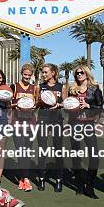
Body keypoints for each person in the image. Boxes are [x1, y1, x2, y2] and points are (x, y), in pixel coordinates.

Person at [67, 65, 103, 199]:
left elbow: (101, 106)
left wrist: (89, 106)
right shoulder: (72, 89)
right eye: (77, 73)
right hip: (75, 124)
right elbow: (67, 107)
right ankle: (79, 186)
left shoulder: (94, 89)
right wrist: (68, 106)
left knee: (94, 156)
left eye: (81, 73)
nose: (79, 75)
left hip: (88, 124)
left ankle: (90, 186)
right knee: (76, 156)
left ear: (87, 74)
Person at [36, 63, 66, 193]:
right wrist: (40, 102)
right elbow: (36, 102)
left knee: (58, 150)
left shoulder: (61, 86)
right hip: (43, 119)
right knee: (42, 149)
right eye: (43, 72)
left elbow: (66, 103)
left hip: (57, 120)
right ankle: (41, 178)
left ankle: (59, 180)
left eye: (45, 72)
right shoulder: (41, 87)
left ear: (53, 73)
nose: (43, 74)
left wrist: (59, 104)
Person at [10, 63, 38, 192]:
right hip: (17, 123)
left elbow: (37, 104)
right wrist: (16, 105)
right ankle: (24, 178)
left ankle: (24, 177)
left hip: (30, 124)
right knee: (20, 150)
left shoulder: (34, 88)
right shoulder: (14, 86)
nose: (27, 77)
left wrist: (34, 107)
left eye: (29, 75)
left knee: (27, 151)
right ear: (21, 73)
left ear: (31, 75)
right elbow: (9, 104)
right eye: (25, 74)